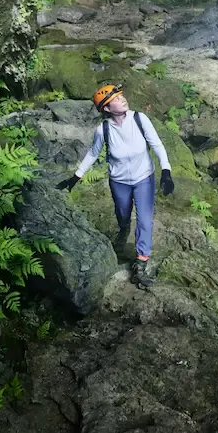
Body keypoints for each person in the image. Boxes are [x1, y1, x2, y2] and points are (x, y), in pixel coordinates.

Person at [56, 84, 173, 287]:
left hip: (143, 177)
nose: (123, 99)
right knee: (123, 213)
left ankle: (141, 262)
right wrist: (76, 177)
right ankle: (124, 228)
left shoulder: (139, 119)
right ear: (107, 109)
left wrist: (166, 171)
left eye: (121, 96)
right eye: (116, 99)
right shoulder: (103, 130)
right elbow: (93, 153)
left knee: (145, 220)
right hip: (119, 181)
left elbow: (157, 144)